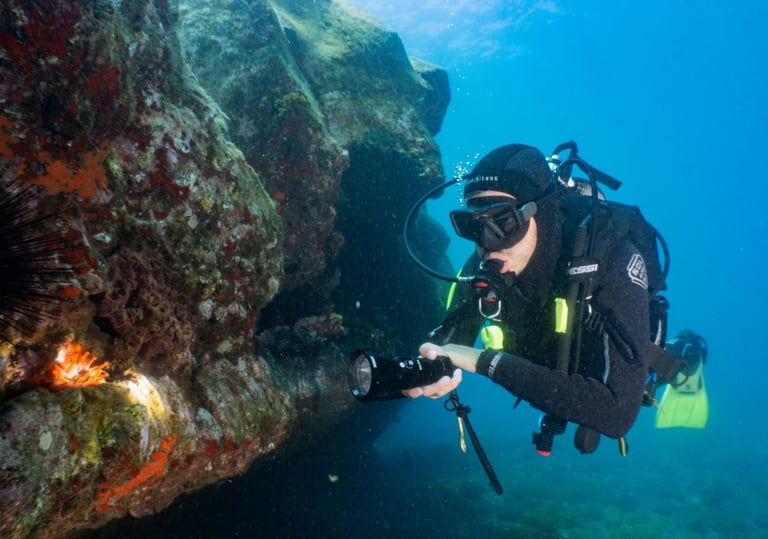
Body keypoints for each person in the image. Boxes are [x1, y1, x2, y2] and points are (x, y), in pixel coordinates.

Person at [405, 143, 707, 453]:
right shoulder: (489, 257)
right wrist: (431, 365)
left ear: (541, 212)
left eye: (504, 222)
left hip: (604, 370)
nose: (488, 243)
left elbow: (617, 414)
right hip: (548, 368)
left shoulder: (612, 257)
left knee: (656, 364)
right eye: (473, 226)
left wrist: (484, 362)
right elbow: (454, 333)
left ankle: (688, 355)